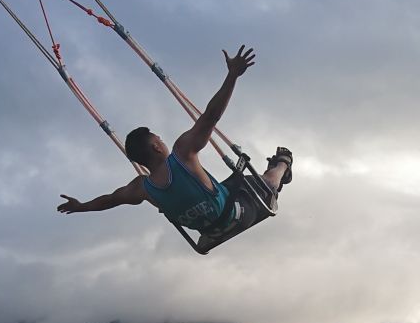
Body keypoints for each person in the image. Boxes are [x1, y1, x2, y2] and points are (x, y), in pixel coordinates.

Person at [57, 45, 292, 245]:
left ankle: (261, 180)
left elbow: (109, 199)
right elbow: (210, 116)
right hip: (237, 216)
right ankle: (284, 163)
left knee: (229, 185)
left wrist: (80, 207)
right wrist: (232, 76)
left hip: (210, 231)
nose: (162, 140)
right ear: (156, 147)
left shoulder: (141, 188)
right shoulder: (182, 153)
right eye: (158, 138)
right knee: (263, 183)